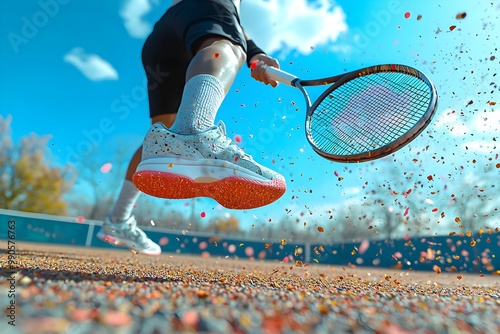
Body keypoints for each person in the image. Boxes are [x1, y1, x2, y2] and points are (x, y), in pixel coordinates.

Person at [97, 0, 286, 256]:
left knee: (164, 136)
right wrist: (246, 49)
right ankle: (196, 131)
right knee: (229, 48)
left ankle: (118, 219)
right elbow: (231, 24)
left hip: (163, 35)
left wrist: (254, 50)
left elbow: (235, 23)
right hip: (207, 7)